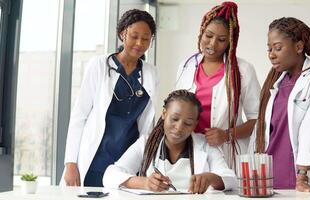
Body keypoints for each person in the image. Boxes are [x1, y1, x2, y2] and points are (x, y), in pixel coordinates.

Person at [62, 9, 158, 187]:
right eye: (134, 36)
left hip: (127, 165)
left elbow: (146, 125)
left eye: (146, 38)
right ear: (123, 34)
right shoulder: (99, 65)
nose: (139, 43)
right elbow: (79, 115)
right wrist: (70, 163)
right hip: (95, 159)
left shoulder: (151, 73)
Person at [250, 17, 310, 199]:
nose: (271, 54)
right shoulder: (276, 83)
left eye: (278, 48)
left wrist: (303, 175)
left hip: (304, 179)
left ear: (299, 47)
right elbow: (262, 132)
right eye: (269, 49)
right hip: (271, 178)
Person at [175, 1, 261, 172]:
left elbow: (258, 120)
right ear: (201, 33)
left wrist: (227, 134)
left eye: (221, 40)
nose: (213, 44)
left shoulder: (243, 70)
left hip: (226, 153)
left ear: (230, 42)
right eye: (208, 36)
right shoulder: (186, 66)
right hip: (190, 150)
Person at [103, 90, 237, 193]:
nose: (179, 128)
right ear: (164, 114)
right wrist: (145, 183)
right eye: (174, 119)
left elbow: (231, 180)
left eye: (188, 123)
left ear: (195, 124)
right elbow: (110, 175)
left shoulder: (205, 145)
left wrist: (211, 178)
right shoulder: (146, 143)